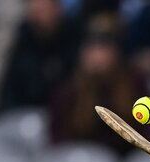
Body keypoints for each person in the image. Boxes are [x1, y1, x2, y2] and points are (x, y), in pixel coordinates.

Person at [49, 20, 141, 154]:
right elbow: (58, 136)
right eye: (92, 50)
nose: (97, 57)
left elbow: (146, 134)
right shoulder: (69, 90)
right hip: (78, 160)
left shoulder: (133, 85)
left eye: (103, 49)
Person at [0, 0, 80, 111]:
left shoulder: (73, 39)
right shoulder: (23, 40)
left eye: (43, 10)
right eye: (35, 11)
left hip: (62, 112)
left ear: (56, 9)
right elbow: (9, 88)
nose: (38, 17)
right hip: (24, 112)